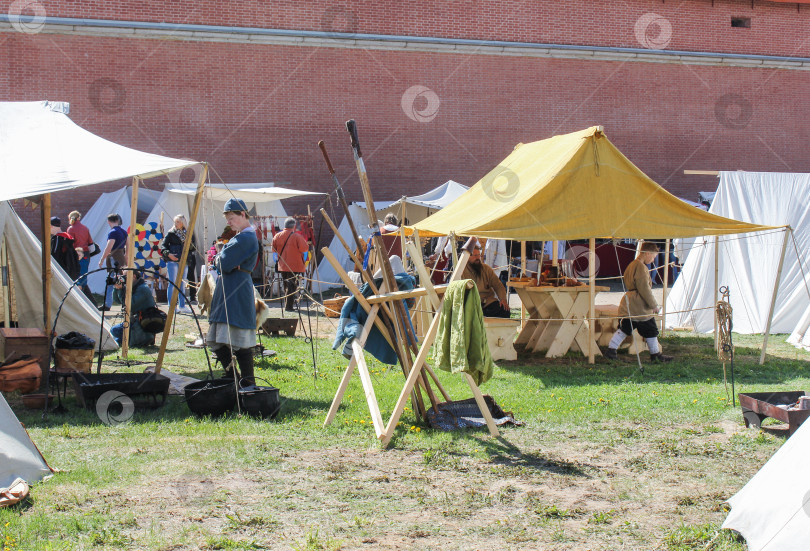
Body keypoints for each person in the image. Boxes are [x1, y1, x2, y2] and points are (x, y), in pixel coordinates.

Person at [208, 199, 259, 384]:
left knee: (239, 339)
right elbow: (224, 263)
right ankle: (234, 377)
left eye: (231, 218)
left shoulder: (245, 237)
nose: (228, 222)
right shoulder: (239, 237)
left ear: (243, 215)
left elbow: (223, 263)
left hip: (236, 291)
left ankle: (246, 380)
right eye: (227, 218)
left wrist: (218, 259)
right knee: (220, 339)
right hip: (231, 287)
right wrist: (220, 259)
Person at [604, 241, 674, 362]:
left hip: (630, 302)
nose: (653, 260)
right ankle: (655, 354)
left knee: (625, 328)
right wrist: (654, 305)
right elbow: (644, 288)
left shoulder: (632, 264)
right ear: (647, 253)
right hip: (639, 305)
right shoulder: (641, 267)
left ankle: (611, 350)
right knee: (650, 329)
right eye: (653, 256)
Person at [160, 214, 196, 315]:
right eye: (175, 222)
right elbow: (163, 247)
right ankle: (172, 306)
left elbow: (193, 248)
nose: (176, 224)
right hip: (173, 260)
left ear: (183, 223)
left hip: (184, 261)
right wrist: (169, 255)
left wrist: (189, 243)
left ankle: (182, 305)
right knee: (172, 283)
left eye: (178, 222)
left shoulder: (188, 233)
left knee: (182, 283)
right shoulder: (171, 233)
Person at [110, 270, 157, 347]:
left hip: (141, 323)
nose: (123, 279)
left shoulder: (142, 288)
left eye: (125, 277)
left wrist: (122, 290)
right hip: (135, 321)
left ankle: (137, 340)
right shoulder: (134, 286)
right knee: (116, 340)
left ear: (134, 276)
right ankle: (125, 341)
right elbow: (117, 300)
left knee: (114, 330)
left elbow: (130, 305)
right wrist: (117, 289)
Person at [462, 244, 510, 318]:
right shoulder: (461, 271)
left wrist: (503, 299)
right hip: (471, 304)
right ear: (467, 257)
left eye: (479, 255)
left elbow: (497, 285)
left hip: (488, 302)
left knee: (504, 310)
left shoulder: (486, 268)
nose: (478, 258)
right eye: (474, 255)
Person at [272, 217, 308, 312]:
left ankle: (287, 305)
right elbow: (304, 249)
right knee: (292, 286)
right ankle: (288, 307)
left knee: (286, 286)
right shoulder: (297, 236)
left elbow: (274, 250)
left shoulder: (277, 236)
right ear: (294, 226)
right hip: (295, 265)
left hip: (282, 265)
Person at [97, 214, 128, 311]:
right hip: (121, 257)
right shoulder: (123, 231)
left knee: (111, 281)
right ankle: (124, 304)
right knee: (122, 281)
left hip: (114, 258)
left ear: (108, 221)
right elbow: (128, 246)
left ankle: (108, 304)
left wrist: (102, 259)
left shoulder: (113, 232)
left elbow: (109, 247)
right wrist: (126, 257)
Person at [65, 210, 95, 301]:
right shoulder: (85, 228)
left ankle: (84, 300)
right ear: (79, 218)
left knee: (77, 277)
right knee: (83, 276)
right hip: (85, 254)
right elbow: (90, 242)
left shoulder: (70, 229)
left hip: (76, 254)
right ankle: (90, 301)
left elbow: (69, 243)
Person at [49, 216, 81, 282]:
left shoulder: (57, 238)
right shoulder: (68, 237)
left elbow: (55, 256)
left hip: (61, 271)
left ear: (51, 226)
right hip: (70, 270)